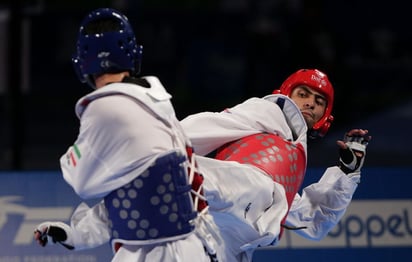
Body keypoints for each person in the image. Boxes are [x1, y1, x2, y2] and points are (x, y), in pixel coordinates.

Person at [33, 8, 223, 262]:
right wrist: (75, 235)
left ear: (83, 61)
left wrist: (74, 156)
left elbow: (81, 181)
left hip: (159, 253)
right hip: (189, 248)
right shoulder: (155, 100)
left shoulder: (104, 108)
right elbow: (132, 197)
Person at [179, 68, 371, 261]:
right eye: (303, 94)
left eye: (319, 102)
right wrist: (165, 139)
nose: (310, 104)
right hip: (216, 205)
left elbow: (312, 220)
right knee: (256, 187)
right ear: (286, 94)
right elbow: (208, 126)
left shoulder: (291, 161)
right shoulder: (266, 111)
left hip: (228, 249)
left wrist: (347, 173)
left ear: (325, 116)